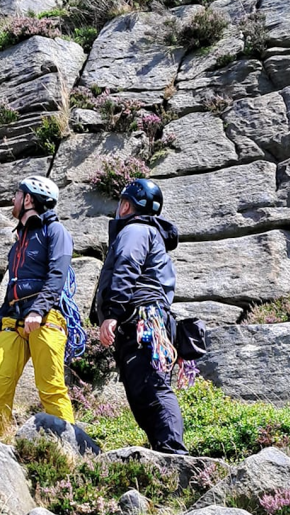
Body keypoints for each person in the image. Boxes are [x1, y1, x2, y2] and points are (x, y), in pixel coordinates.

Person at [0, 175, 77, 438]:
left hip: (46, 318)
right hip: (14, 320)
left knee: (51, 388)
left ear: (29, 199)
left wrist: (38, 310)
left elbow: (57, 276)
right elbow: (12, 293)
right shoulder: (18, 243)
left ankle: (70, 453)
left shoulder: (55, 232)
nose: (13, 199)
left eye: (17, 194)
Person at [92, 178, 187, 454]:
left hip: (141, 321)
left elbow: (126, 266)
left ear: (126, 205)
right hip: (147, 321)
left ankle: (173, 453)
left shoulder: (135, 230)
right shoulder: (150, 234)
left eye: (122, 202)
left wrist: (111, 313)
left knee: (152, 388)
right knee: (143, 390)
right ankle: (164, 450)